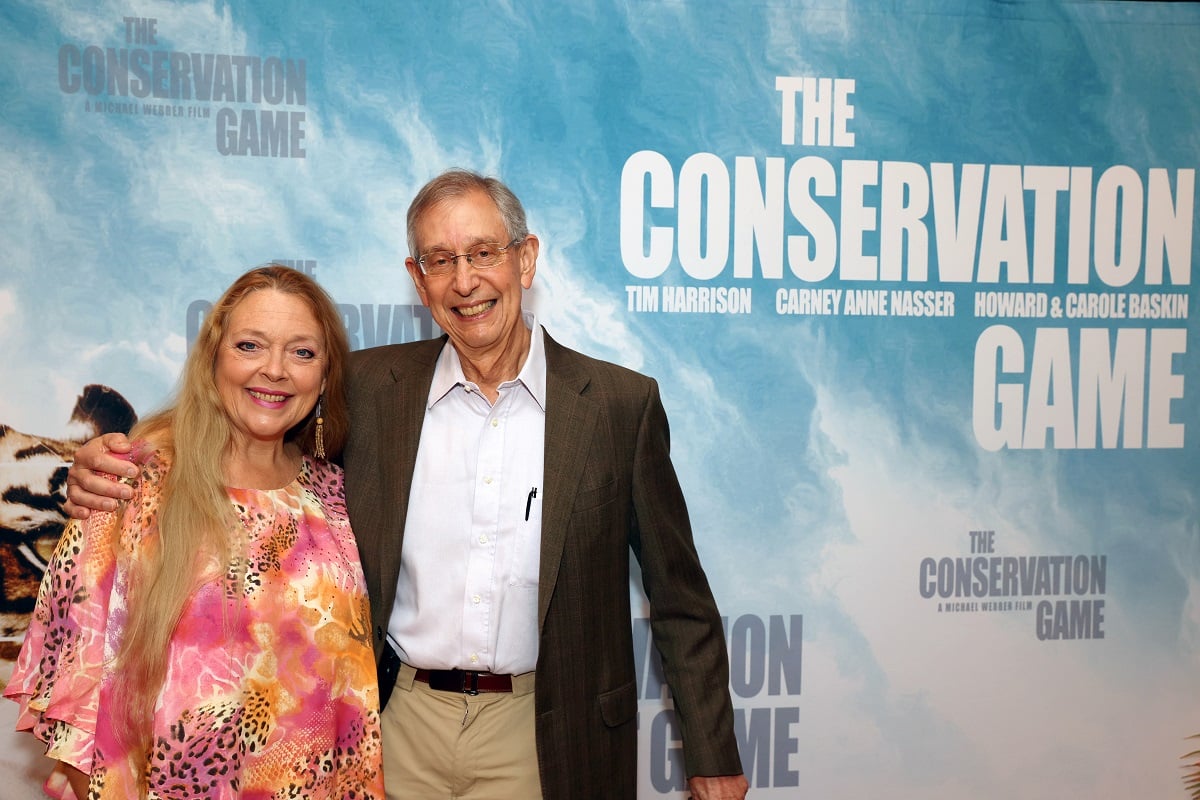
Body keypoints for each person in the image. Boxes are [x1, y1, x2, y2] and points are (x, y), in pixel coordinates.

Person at [65, 171, 749, 800]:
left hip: (544, 727)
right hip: (393, 722)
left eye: (483, 253)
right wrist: (121, 457)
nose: (464, 281)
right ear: (417, 281)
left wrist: (712, 752)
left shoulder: (617, 406)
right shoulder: (365, 387)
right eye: (439, 261)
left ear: (525, 259)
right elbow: (248, 431)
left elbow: (679, 596)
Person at [11, 265, 384, 799]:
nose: (275, 370)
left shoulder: (334, 496)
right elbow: (76, 684)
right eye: (250, 345)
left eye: (302, 352)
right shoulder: (133, 482)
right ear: (213, 359)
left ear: (325, 377)